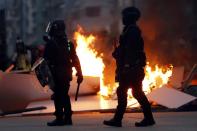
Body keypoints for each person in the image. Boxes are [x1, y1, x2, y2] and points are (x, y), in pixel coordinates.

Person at [103, 7, 155, 127]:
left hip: (131, 69)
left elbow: (131, 51)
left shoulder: (132, 31)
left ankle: (118, 120)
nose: (123, 19)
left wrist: (127, 66)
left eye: (124, 16)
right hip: (131, 68)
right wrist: (118, 53)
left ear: (129, 17)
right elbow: (126, 49)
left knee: (125, 92)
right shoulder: (130, 30)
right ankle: (148, 118)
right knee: (135, 93)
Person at [43, 20, 83, 126]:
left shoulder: (51, 43)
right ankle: (68, 118)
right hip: (67, 74)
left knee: (58, 96)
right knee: (64, 95)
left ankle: (60, 118)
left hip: (56, 74)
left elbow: (45, 60)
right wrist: (79, 73)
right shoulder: (69, 43)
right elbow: (74, 58)